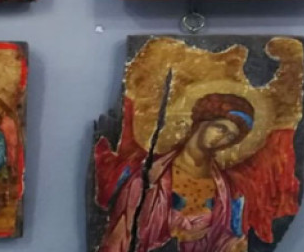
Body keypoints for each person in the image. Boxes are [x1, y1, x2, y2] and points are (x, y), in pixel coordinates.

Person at [98, 93, 255, 252]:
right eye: (220, 128)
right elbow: (123, 233)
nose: (223, 138)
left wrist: (233, 245)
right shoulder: (152, 175)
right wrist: (174, 237)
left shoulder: (223, 188)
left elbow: (217, 237)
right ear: (203, 121)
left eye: (231, 136)